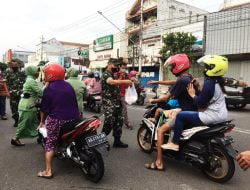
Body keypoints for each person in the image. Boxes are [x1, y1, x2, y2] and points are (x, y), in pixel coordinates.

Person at [162, 55, 229, 151]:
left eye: (207, 67)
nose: (205, 69)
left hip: (211, 115)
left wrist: (192, 94)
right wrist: (198, 86)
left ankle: (174, 143)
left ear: (215, 68)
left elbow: (200, 103)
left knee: (181, 116)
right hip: (222, 115)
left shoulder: (209, 82)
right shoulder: (219, 82)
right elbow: (207, 97)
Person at [145, 53, 197, 171]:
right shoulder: (188, 77)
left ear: (178, 66)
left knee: (160, 130)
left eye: (172, 65)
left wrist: (153, 100)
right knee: (169, 112)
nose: (171, 68)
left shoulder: (182, 80)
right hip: (192, 110)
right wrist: (157, 82)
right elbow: (172, 82)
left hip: (186, 113)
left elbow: (166, 98)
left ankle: (159, 162)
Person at [37, 63, 80, 179]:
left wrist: (41, 122)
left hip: (57, 120)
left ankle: (48, 171)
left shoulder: (49, 89)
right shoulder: (69, 85)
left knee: (50, 143)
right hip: (74, 118)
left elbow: (43, 109)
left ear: (49, 74)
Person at [101, 58, 132, 148]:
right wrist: (124, 81)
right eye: (116, 65)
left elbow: (115, 82)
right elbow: (111, 82)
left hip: (117, 102)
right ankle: (100, 141)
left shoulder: (112, 74)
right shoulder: (106, 74)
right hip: (109, 103)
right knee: (108, 123)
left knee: (119, 122)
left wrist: (122, 79)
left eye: (118, 65)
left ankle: (117, 141)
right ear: (110, 64)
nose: (117, 67)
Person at [10, 66, 43, 146]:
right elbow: (40, 92)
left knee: (35, 122)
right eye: (36, 71)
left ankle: (41, 138)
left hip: (28, 105)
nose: (38, 73)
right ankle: (16, 138)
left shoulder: (29, 79)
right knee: (24, 123)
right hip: (28, 106)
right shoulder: (31, 81)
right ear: (32, 72)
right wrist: (47, 85)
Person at [5, 60, 26, 127]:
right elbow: (6, 83)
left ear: (18, 65)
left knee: (21, 108)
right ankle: (16, 120)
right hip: (12, 94)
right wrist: (7, 92)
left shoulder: (22, 73)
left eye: (16, 65)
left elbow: (26, 83)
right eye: (13, 65)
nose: (14, 66)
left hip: (21, 94)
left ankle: (21, 121)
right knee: (14, 108)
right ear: (11, 66)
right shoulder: (8, 73)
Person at [115, 62, 133, 130]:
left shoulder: (126, 75)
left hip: (123, 94)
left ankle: (127, 123)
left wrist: (131, 81)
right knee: (117, 109)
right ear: (120, 67)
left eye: (125, 68)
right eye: (123, 68)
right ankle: (116, 121)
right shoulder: (116, 74)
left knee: (124, 109)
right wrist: (120, 77)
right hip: (116, 94)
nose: (124, 69)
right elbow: (115, 83)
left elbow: (130, 83)